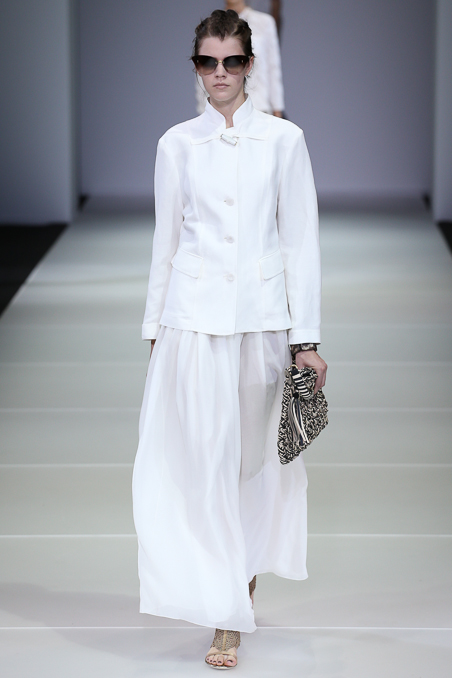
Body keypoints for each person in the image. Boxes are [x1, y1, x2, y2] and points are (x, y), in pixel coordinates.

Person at [132, 9, 327, 670]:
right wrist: (153, 329)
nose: (220, 74)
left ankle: (236, 593)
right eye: (207, 62)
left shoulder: (285, 140)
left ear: (249, 65)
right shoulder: (175, 144)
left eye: (232, 61)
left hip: (262, 323)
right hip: (190, 322)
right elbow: (165, 242)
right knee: (199, 464)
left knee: (248, 466)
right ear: (195, 67)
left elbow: (301, 243)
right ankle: (223, 608)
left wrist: (306, 339)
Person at [195, 0, 285, 117]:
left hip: (259, 106)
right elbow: (204, 67)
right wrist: (203, 110)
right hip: (219, 112)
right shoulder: (210, 25)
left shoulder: (264, 22)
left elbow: (273, 69)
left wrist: (277, 110)